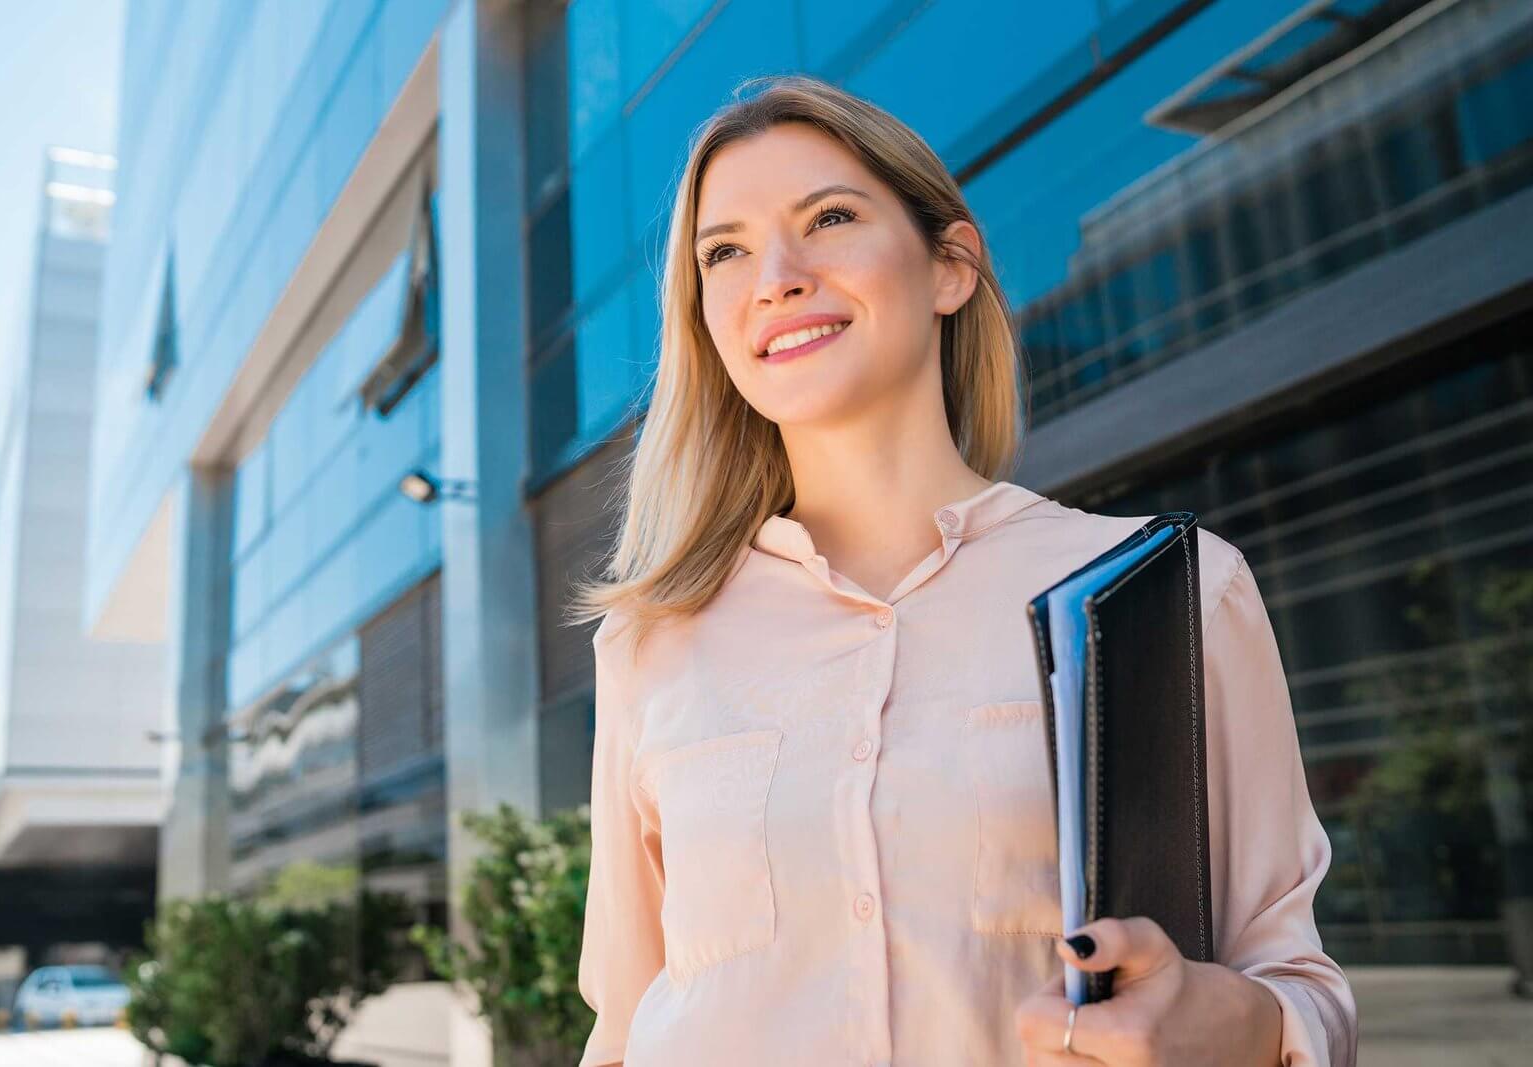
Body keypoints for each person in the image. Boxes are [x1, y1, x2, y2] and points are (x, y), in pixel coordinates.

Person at [565, 73, 1356, 1067]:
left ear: (949, 266)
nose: (774, 274)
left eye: (830, 217)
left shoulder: (1167, 588)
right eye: (723, 251)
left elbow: (1295, 983)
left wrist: (1241, 1023)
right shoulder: (649, 642)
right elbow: (628, 1022)